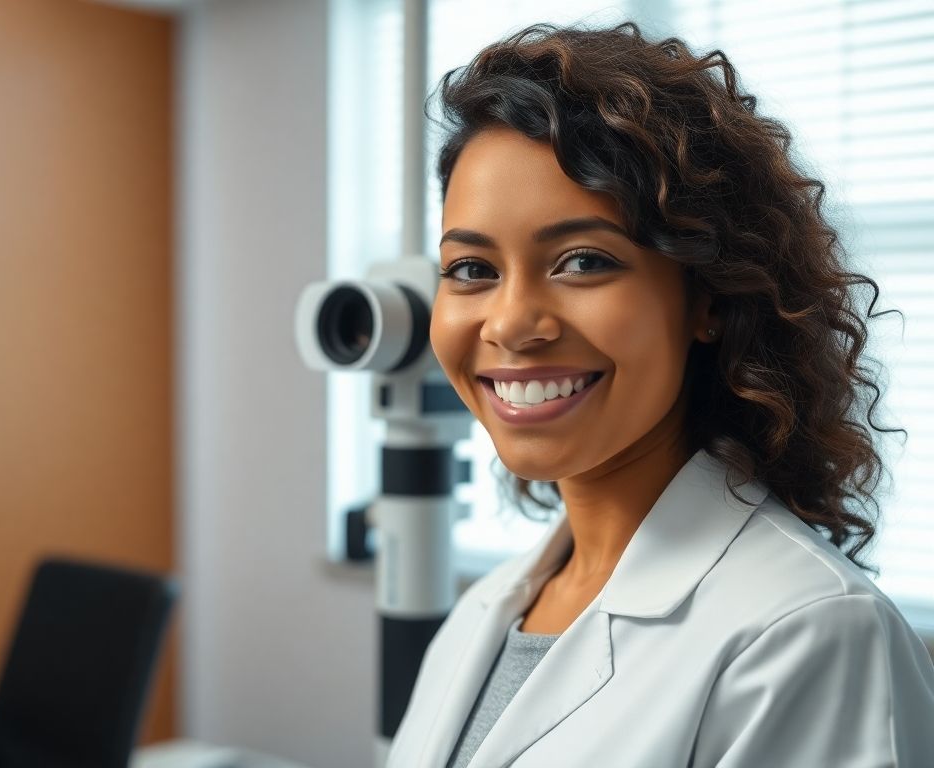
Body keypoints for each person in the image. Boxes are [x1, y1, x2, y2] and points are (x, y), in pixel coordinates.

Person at [386, 21, 934, 768]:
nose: (511, 324)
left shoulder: (808, 634)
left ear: (707, 297)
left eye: (582, 261)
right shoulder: (485, 613)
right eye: (473, 269)